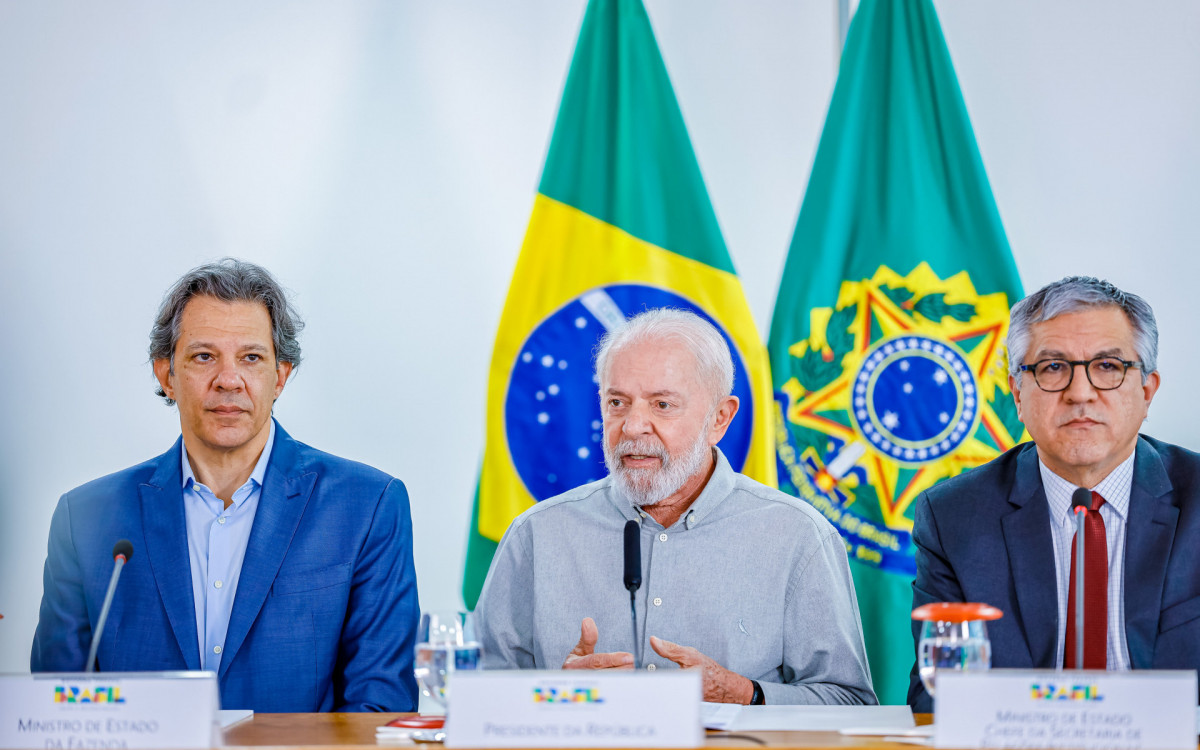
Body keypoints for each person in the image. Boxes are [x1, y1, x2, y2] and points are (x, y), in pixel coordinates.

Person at [31, 259, 420, 713]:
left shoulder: (366, 507)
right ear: (166, 375)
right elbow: (56, 711)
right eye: (204, 357)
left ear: (280, 376)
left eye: (251, 358)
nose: (228, 380)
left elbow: (380, 710)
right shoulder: (85, 519)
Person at [476, 308, 877, 705]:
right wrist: (554, 697)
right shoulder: (537, 534)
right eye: (617, 402)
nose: (632, 426)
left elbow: (851, 705)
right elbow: (475, 700)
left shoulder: (798, 535)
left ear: (719, 419)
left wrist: (743, 693)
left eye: (662, 405)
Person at [909, 276, 1200, 711]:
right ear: (1017, 393)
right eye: (1052, 368)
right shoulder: (953, 516)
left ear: (1146, 390)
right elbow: (936, 697)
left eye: (1108, 366)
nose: (1080, 393)